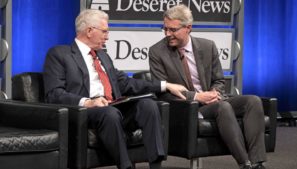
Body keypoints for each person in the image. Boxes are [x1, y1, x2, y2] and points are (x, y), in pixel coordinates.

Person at [43, 9, 188, 169]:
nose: (108, 36)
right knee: (109, 113)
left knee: (148, 105)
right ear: (89, 31)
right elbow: (54, 94)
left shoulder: (103, 56)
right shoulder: (59, 54)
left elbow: (125, 83)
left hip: (113, 107)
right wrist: (88, 102)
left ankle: (155, 164)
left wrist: (165, 85)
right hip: (84, 112)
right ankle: (126, 167)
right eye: (104, 31)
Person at [148, 4, 266, 169]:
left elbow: (219, 80)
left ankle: (256, 162)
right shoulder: (157, 52)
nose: (168, 34)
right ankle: (244, 163)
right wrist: (196, 97)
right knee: (222, 107)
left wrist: (214, 93)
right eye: (165, 29)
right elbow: (164, 90)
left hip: (211, 101)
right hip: (187, 107)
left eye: (173, 30)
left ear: (188, 28)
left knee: (253, 101)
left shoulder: (207, 46)